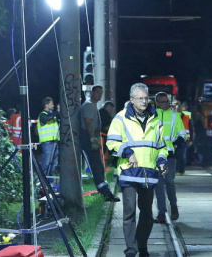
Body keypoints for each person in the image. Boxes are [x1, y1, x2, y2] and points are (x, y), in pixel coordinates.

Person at [106, 83, 168, 257]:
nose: (144, 101)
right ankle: (131, 250)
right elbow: (111, 142)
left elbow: (161, 146)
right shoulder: (120, 118)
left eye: (146, 98)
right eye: (140, 98)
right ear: (132, 100)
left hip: (148, 173)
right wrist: (127, 152)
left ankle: (142, 246)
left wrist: (162, 160)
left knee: (147, 214)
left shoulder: (156, 119)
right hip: (129, 172)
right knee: (129, 212)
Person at [79, 85, 120, 202]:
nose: (99, 95)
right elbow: (88, 122)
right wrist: (92, 139)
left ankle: (105, 191)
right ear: (91, 93)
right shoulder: (88, 106)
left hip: (92, 139)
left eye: (101, 93)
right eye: (97, 92)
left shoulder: (92, 106)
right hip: (88, 139)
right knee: (97, 167)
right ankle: (105, 193)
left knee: (99, 167)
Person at [153, 93, 185, 223]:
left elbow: (182, 134)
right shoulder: (151, 116)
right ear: (157, 103)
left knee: (169, 181)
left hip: (170, 155)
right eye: (163, 102)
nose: (166, 104)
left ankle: (173, 206)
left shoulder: (175, 116)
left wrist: (177, 144)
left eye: (167, 101)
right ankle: (162, 213)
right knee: (158, 184)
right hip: (154, 155)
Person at [37, 97, 60, 178]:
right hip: (47, 142)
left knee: (54, 163)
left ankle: (51, 181)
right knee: (46, 163)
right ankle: (44, 182)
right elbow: (47, 118)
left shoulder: (53, 115)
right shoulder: (42, 115)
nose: (53, 105)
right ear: (46, 105)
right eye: (51, 104)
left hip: (55, 141)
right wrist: (57, 111)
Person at [176, 101, 191, 175]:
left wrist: (191, 140)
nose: (178, 107)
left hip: (184, 139)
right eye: (176, 106)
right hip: (174, 139)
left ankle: (181, 170)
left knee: (182, 155)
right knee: (175, 156)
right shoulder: (172, 116)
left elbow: (190, 128)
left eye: (179, 106)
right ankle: (175, 170)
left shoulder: (186, 117)